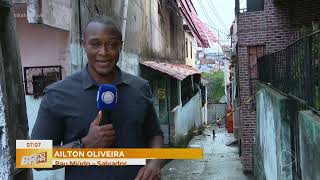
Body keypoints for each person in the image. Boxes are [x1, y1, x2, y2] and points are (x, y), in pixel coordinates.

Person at [31, 16, 164, 180]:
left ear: (120, 46)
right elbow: (36, 158)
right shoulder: (57, 94)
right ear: (84, 44)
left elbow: (155, 134)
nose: (104, 52)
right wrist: (84, 144)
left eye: (112, 44)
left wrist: (154, 163)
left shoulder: (140, 88)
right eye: (95, 44)